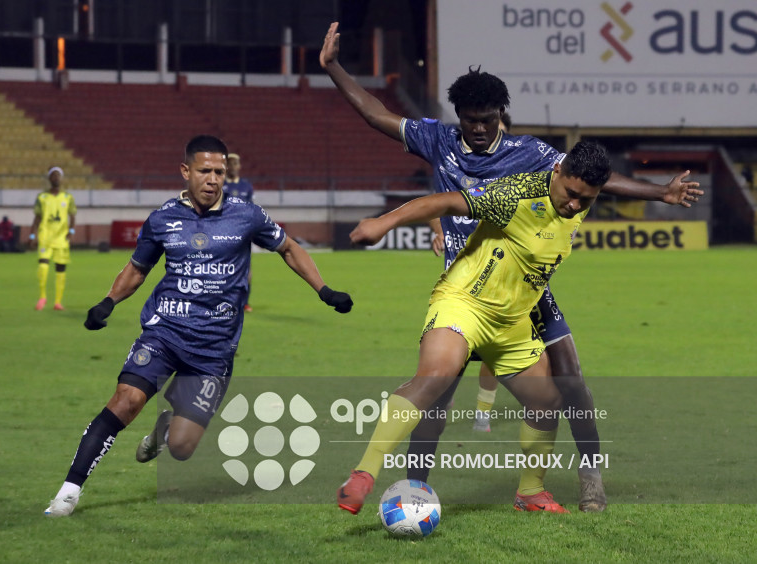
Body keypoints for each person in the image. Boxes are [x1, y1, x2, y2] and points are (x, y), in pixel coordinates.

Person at [320, 21, 703, 512]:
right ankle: (413, 487)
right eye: (469, 120)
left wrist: (660, 192)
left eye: (487, 119)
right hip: (467, 280)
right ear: (458, 116)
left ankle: (586, 479)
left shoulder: (535, 157)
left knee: (568, 382)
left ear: (502, 114)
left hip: (526, 289)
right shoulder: (439, 141)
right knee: (437, 391)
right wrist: (333, 68)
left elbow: (594, 179)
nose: (478, 129)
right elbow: (377, 115)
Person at [44, 135, 353, 517]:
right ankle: (69, 492)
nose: (212, 179)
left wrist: (324, 291)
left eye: (219, 172)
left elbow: (288, 247)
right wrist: (108, 302)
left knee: (181, 448)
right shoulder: (163, 218)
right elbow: (138, 269)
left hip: (214, 348)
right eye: (205, 171)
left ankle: (167, 426)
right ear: (185, 171)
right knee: (126, 400)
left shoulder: (247, 214)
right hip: (165, 331)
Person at [342, 140, 612, 514]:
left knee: (547, 400)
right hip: (464, 303)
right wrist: (384, 222)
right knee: (435, 377)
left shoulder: (576, 201)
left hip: (512, 319)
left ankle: (530, 493)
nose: (576, 205)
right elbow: (448, 201)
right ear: (557, 171)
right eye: (571, 194)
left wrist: (663, 193)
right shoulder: (513, 194)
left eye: (587, 199)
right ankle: (363, 475)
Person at [30, 166, 77, 311]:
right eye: (53, 175)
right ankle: (42, 297)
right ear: (49, 178)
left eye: (58, 175)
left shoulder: (67, 197)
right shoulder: (42, 197)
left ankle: (57, 302)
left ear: (61, 178)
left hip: (61, 238)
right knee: (43, 265)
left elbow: (72, 215)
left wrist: (71, 230)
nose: (56, 178)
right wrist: (32, 235)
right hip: (45, 236)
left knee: (60, 269)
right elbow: (37, 217)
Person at [224, 153, 256, 312]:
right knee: (222, 269)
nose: (233, 167)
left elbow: (251, 210)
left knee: (246, 270)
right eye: (230, 163)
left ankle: (245, 302)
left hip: (243, 234)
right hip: (222, 233)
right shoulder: (219, 185)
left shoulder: (246, 186)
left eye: (235, 163)